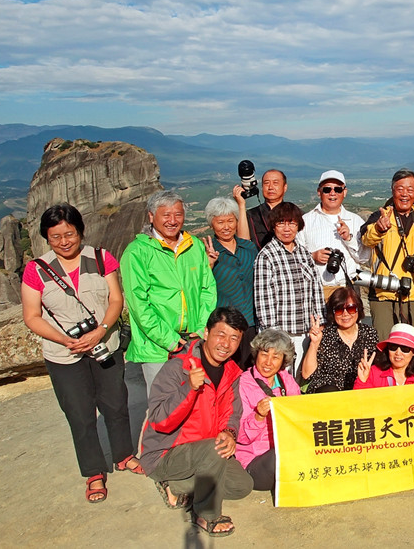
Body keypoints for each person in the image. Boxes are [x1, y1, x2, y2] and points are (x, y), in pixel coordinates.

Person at [21, 203, 141, 504]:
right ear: (46, 238)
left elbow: (116, 299)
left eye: (69, 234)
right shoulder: (36, 270)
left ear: (80, 231)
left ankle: (124, 455)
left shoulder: (100, 258)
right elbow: (32, 316)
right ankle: (93, 472)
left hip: (104, 345)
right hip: (64, 355)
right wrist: (64, 339)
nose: (64, 241)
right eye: (55, 236)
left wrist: (101, 329)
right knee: (79, 414)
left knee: (116, 404)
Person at [140, 307, 254, 537]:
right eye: (221, 334)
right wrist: (189, 389)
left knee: (242, 486)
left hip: (205, 452)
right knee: (213, 450)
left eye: (234, 338)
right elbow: (160, 420)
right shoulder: (178, 368)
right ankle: (206, 515)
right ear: (205, 333)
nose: (226, 344)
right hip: (166, 453)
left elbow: (233, 413)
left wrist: (229, 433)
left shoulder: (232, 372)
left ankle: (176, 486)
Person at [122, 190, 217, 393]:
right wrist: (170, 340)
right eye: (166, 215)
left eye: (178, 214)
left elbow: (207, 290)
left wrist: (201, 329)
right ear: (151, 216)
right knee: (164, 406)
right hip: (158, 348)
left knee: (195, 402)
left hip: (193, 341)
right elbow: (139, 304)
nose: (173, 221)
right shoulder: (137, 252)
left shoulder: (194, 247)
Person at [360, 168, 414, 348]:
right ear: (392, 190)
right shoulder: (380, 216)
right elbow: (366, 239)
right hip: (384, 293)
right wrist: (379, 228)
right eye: (400, 188)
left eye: (410, 189)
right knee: (384, 345)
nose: (405, 194)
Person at [254, 202, 323, 375]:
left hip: (307, 333)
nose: (287, 228)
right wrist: (277, 339)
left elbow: (316, 290)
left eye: (291, 223)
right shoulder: (266, 256)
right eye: (281, 223)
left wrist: (321, 323)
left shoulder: (303, 253)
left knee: (305, 382)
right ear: (273, 226)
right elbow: (264, 303)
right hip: (282, 335)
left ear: (298, 225)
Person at [236, 328, 301, 492]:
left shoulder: (287, 380)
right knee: (279, 456)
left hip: (285, 450)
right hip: (256, 461)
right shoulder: (242, 384)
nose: (268, 362)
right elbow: (240, 437)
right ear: (256, 354)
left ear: (283, 360)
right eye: (264, 354)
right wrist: (258, 416)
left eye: (275, 357)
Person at [202, 190, 257, 367]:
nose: (226, 226)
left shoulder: (248, 248)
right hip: (224, 326)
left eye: (230, 221)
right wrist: (209, 264)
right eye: (220, 222)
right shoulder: (206, 251)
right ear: (212, 224)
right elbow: (199, 286)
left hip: (251, 323)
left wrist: (241, 205)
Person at [297, 170, 370, 300]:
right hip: (318, 290)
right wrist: (312, 257)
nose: (332, 193)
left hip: (349, 287)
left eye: (338, 189)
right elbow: (295, 257)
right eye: (327, 189)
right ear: (319, 192)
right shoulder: (305, 221)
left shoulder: (356, 221)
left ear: (345, 192)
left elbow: (364, 258)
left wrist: (349, 239)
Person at [299, 287, 380, 393]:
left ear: (358, 309)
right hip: (328, 394)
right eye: (339, 310)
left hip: (360, 390)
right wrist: (314, 343)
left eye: (350, 308)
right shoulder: (325, 335)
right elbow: (307, 374)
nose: (345, 314)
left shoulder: (369, 333)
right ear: (332, 313)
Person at [354, 323, 414, 388]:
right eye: (393, 347)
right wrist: (362, 381)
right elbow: (360, 402)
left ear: (413, 352)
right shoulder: (373, 373)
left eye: (405, 349)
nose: (398, 352)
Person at [246, 169, 288, 249]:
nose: (270, 187)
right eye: (266, 183)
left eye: (275, 183)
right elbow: (243, 242)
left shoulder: (296, 214)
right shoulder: (251, 214)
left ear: (285, 187)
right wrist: (241, 205)